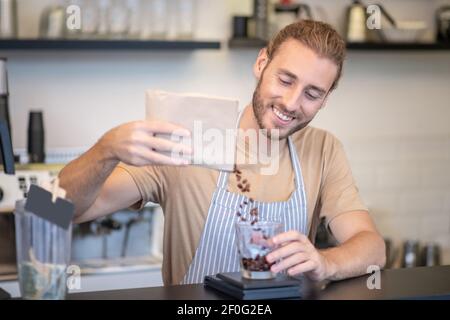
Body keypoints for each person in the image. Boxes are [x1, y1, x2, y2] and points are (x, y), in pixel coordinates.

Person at [59, 20, 386, 286]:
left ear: (325, 99)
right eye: (285, 80)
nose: (291, 103)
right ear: (261, 63)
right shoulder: (191, 138)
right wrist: (106, 150)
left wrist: (324, 263)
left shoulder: (324, 149)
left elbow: (372, 246)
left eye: (312, 94)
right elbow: (56, 210)